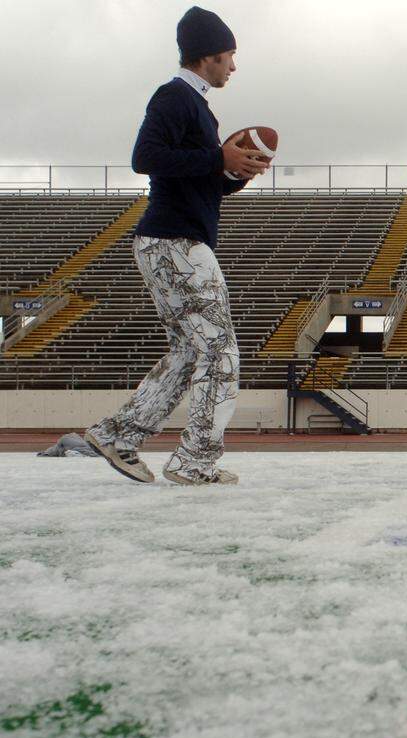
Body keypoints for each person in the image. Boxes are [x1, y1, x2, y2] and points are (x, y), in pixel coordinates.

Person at [84, 6, 267, 485]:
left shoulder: (199, 106)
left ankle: (118, 435)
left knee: (190, 350)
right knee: (221, 351)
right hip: (176, 242)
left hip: (166, 239)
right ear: (208, 55)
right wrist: (216, 155)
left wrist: (234, 173)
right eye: (229, 55)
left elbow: (198, 178)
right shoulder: (175, 96)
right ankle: (194, 461)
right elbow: (145, 158)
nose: (234, 66)